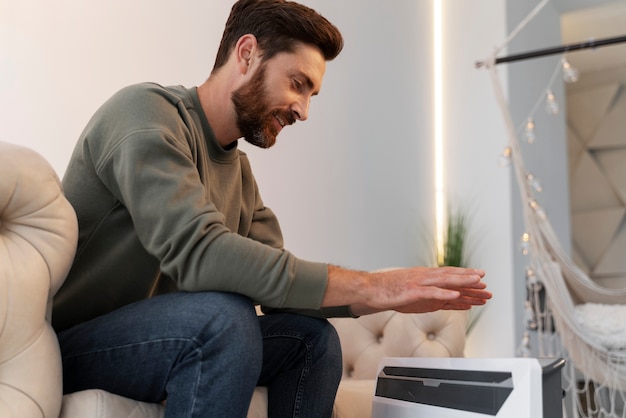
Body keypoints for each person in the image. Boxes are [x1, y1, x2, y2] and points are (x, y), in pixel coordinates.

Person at [52, 0, 492, 417]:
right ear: (246, 54)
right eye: (298, 84)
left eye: (312, 95)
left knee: (312, 341)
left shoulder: (239, 174)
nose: (302, 109)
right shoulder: (144, 114)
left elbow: (279, 288)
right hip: (76, 346)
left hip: (172, 341)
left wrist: (387, 298)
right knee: (224, 319)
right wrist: (373, 286)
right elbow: (198, 251)